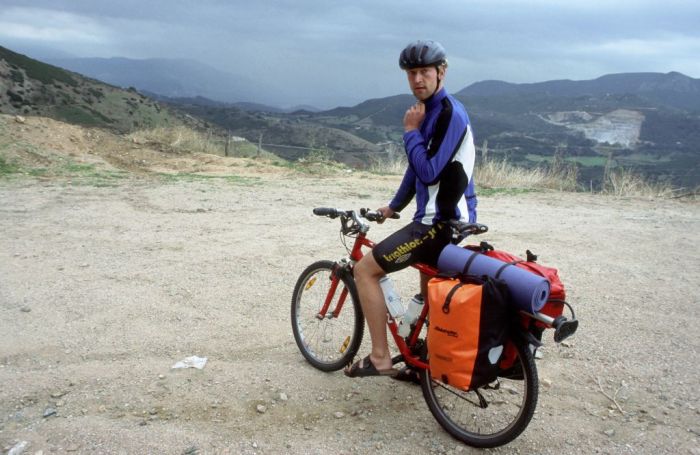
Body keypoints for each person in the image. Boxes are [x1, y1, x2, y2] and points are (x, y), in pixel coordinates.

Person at [344, 39, 477, 378]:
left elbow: (429, 170)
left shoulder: (448, 114)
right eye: (411, 73)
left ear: (441, 72)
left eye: (424, 72)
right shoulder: (432, 112)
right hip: (446, 222)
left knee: (364, 271)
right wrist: (394, 206)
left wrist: (409, 132)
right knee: (428, 293)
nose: (418, 79)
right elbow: (417, 170)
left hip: (439, 224)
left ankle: (379, 358)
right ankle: (426, 365)